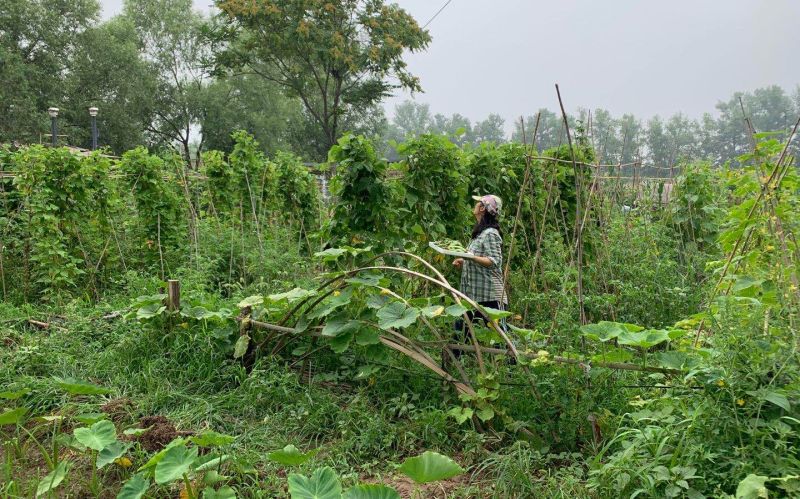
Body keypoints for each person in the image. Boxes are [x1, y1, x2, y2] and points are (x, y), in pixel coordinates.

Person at [452, 194, 507, 343]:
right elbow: (478, 257)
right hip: (473, 293)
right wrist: (464, 261)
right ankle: (453, 363)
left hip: (490, 295)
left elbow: (494, 261)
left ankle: (511, 365)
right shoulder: (480, 233)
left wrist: (470, 258)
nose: (475, 205)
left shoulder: (490, 233)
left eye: (478, 203)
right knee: (460, 333)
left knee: (501, 339)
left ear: (482, 208)